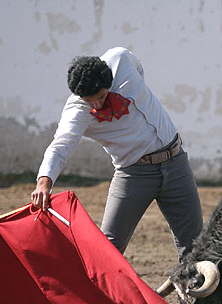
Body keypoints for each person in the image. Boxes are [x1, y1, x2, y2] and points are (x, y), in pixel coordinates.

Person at [31, 47, 203, 261]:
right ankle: (99, 295)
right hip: (134, 174)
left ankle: (192, 294)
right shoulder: (77, 110)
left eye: (101, 96)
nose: (96, 104)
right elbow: (60, 146)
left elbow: (138, 70)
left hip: (177, 163)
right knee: (108, 250)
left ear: (109, 82)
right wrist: (43, 183)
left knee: (196, 247)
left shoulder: (121, 59)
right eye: (88, 100)